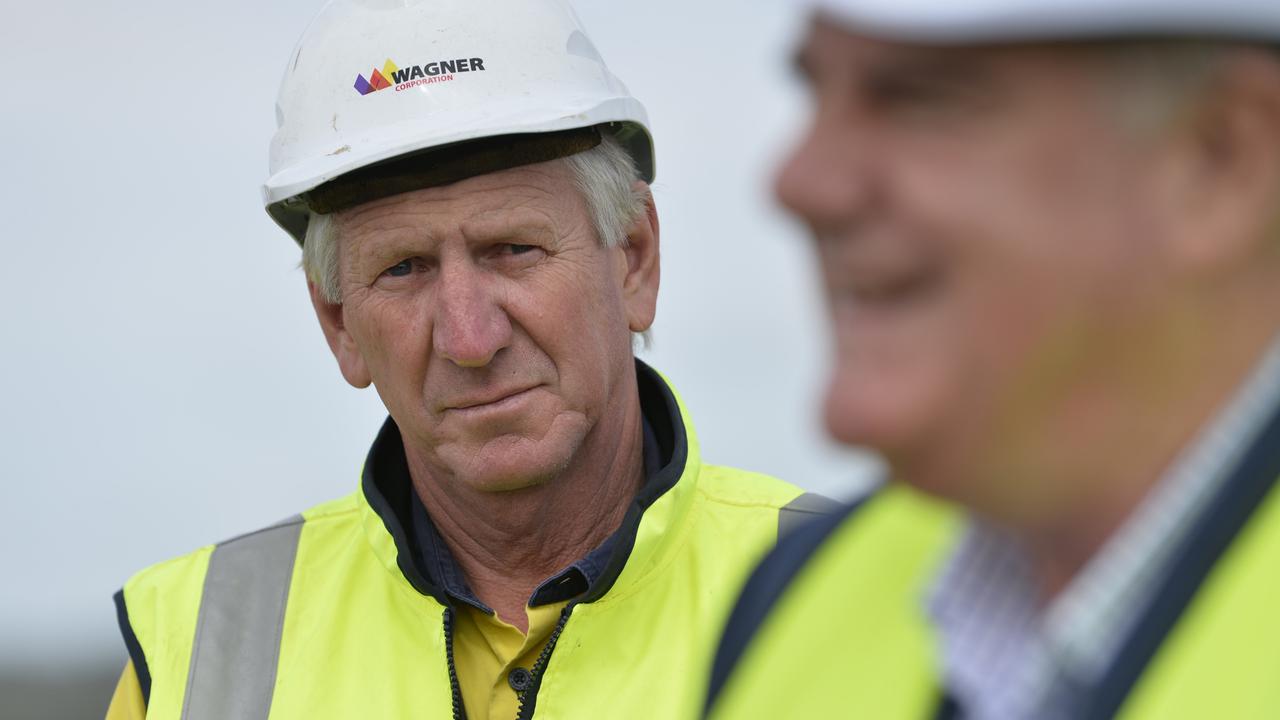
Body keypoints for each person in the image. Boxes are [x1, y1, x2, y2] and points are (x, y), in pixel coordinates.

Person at [105, 2, 827, 718]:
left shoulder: (852, 590)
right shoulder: (190, 648)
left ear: (634, 260)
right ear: (338, 324)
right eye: (404, 268)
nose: (471, 339)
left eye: (514, 250)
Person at [706, 1, 1280, 718]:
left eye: (919, 97)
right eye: (818, 92)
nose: (801, 182)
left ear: (1221, 157)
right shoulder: (799, 591)